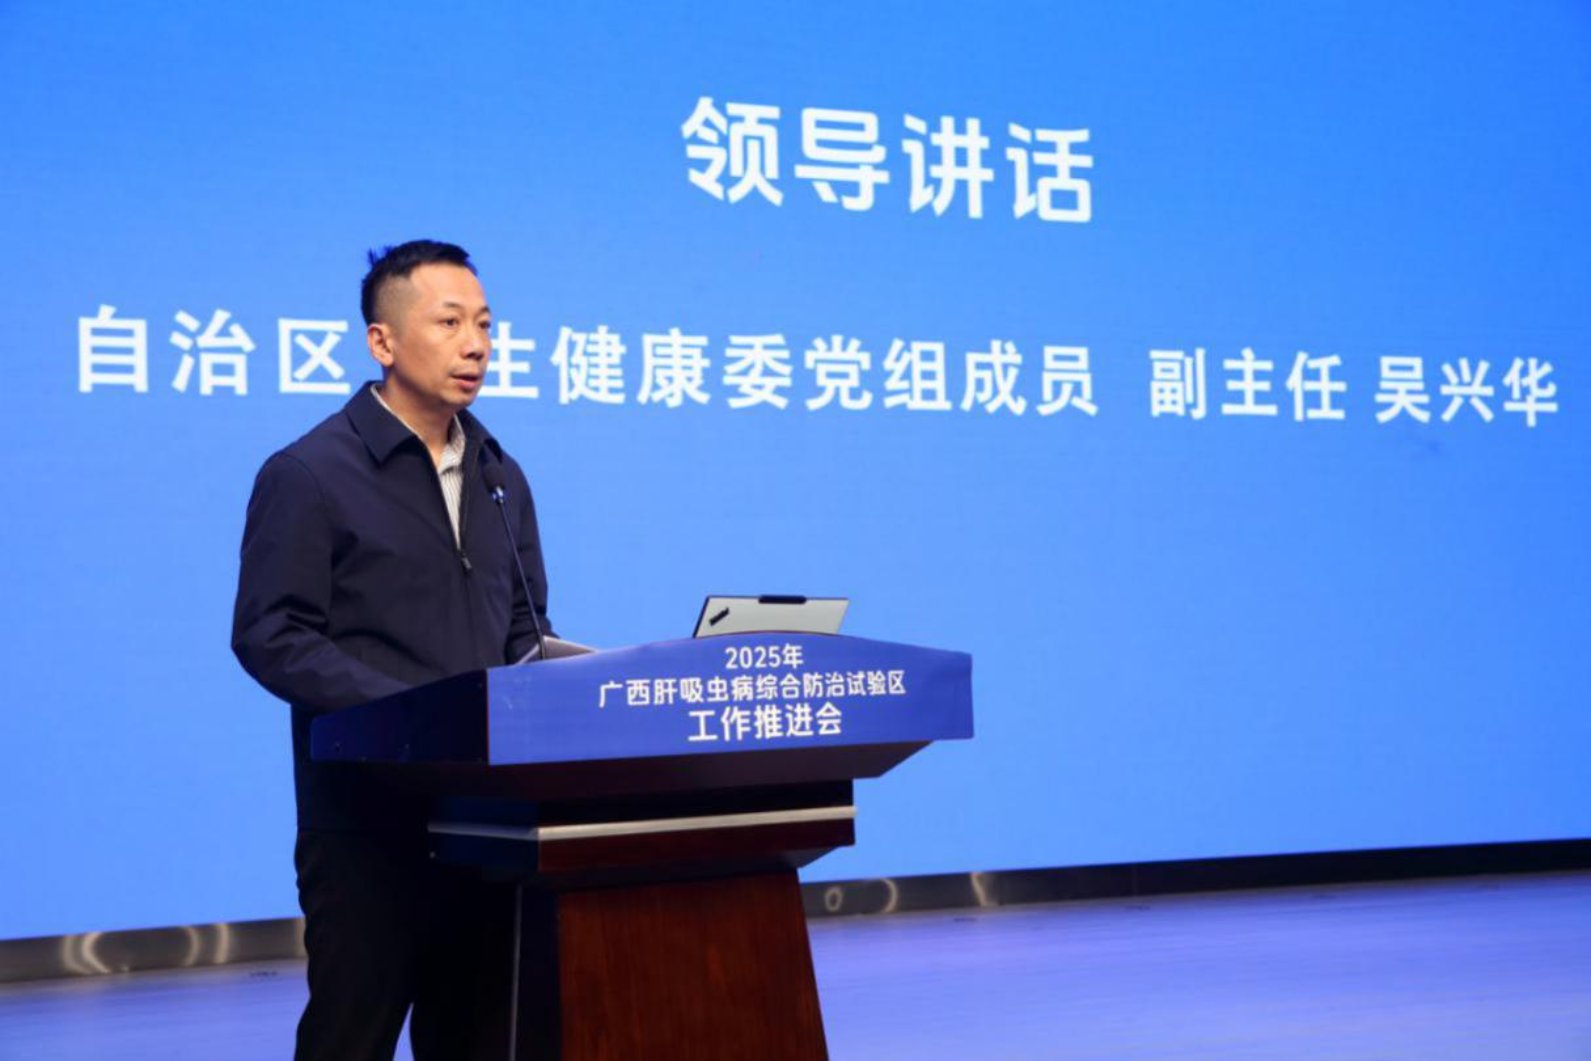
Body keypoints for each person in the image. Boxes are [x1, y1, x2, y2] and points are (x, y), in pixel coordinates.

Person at [232, 240, 554, 1060]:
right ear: (382, 341)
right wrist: (412, 713)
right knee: (351, 1037)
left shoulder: (499, 474)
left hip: (487, 821)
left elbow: (525, 628)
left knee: (483, 1038)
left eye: (484, 324)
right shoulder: (309, 473)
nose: (475, 345)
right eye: (449, 323)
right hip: (366, 825)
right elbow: (271, 633)